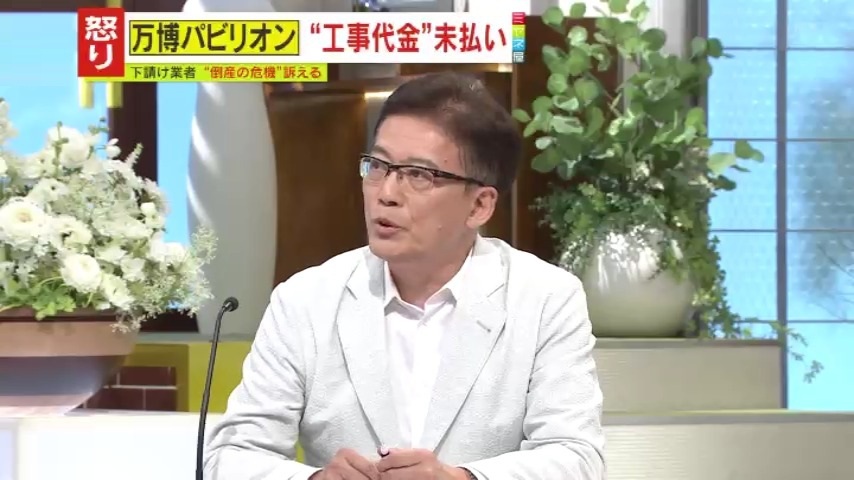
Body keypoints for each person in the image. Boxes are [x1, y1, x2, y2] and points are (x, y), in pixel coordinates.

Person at [204, 72, 605, 480]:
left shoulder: (544, 299)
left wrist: (459, 479)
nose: (386, 193)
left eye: (419, 175)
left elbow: (575, 458)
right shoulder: (305, 301)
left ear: (479, 206)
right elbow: (231, 457)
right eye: (378, 166)